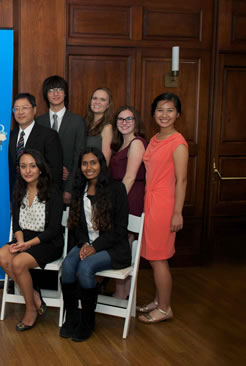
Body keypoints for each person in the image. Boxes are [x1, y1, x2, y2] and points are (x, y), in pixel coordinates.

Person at [59, 147, 130, 342]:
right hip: (86, 243)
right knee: (67, 266)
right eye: (84, 163)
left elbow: (120, 230)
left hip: (113, 248)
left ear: (101, 164)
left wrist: (95, 247)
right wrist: (84, 244)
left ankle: (87, 321)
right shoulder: (78, 189)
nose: (88, 167)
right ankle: (72, 316)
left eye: (93, 163)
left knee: (85, 267)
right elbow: (76, 225)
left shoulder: (117, 189)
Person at [0, 149, 64, 331]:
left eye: (32, 166)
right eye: (23, 166)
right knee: (1, 255)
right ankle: (34, 294)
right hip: (24, 238)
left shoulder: (53, 191)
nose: (28, 170)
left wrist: (28, 245)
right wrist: (19, 243)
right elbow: (17, 224)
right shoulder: (19, 190)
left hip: (48, 242)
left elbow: (54, 229)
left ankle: (30, 310)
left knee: (18, 263)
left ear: (41, 169)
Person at [137, 93, 188, 324]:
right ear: (153, 113)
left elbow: (182, 180)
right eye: (160, 110)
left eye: (170, 110)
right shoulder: (156, 138)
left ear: (177, 114)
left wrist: (177, 212)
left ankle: (166, 308)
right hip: (151, 201)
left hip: (164, 204)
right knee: (154, 256)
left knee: (159, 258)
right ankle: (159, 301)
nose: (164, 115)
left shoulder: (178, 142)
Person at [109, 105, 147, 299]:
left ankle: (124, 293)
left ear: (136, 122)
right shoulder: (120, 144)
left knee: (126, 243)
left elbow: (130, 177)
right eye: (121, 119)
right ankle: (121, 290)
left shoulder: (136, 143)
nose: (124, 123)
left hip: (129, 197)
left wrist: (117, 204)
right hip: (120, 193)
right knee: (122, 242)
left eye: (129, 119)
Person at [36, 75, 86, 204]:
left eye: (59, 89)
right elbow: (36, 154)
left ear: (65, 93)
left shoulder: (77, 121)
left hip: (68, 184)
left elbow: (79, 155)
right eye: (51, 90)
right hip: (42, 186)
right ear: (46, 95)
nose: (56, 93)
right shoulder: (39, 122)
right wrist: (55, 170)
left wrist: (69, 187)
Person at [8, 93, 63, 194]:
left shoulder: (49, 135)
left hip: (41, 195)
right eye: (16, 108)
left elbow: (55, 171)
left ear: (34, 110)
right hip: (15, 195)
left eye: (25, 108)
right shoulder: (9, 136)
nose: (20, 112)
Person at [84, 88, 114, 165]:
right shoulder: (84, 123)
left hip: (96, 174)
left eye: (102, 100)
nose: (97, 102)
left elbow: (105, 162)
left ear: (108, 105)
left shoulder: (107, 128)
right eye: (94, 98)